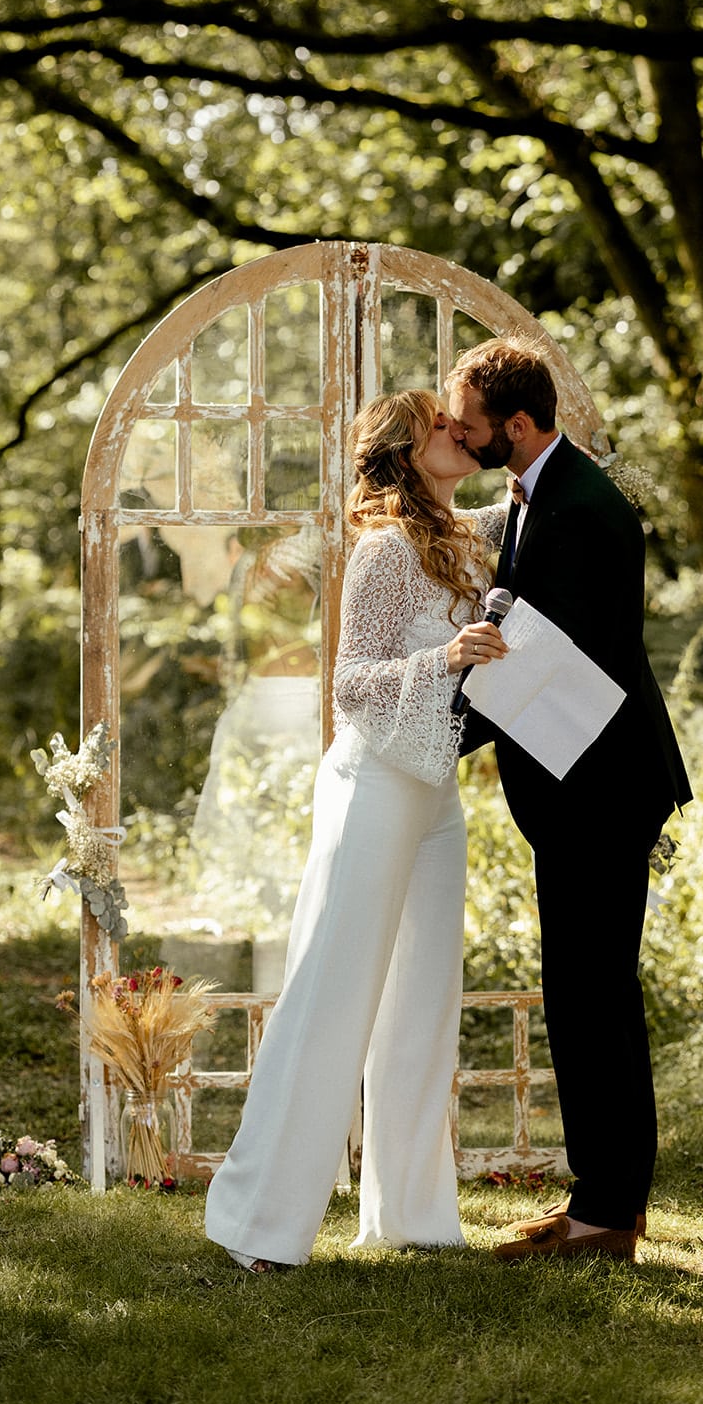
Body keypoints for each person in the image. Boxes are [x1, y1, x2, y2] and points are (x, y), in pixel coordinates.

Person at [205, 389, 507, 1272]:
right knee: (330, 1000)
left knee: (422, 1008)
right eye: (439, 427)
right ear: (407, 454)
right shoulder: (380, 549)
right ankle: (259, 1226)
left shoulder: (469, 534)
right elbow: (349, 687)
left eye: (461, 422)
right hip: (371, 787)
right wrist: (444, 658)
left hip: (436, 798)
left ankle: (411, 1216)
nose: (459, 431)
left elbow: (537, 491)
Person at [445, 338, 691, 1264]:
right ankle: (604, 1204)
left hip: (598, 788)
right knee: (584, 994)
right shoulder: (537, 496)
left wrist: (428, 737)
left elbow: (549, 663)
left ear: (516, 424)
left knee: (592, 997)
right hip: (578, 785)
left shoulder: (580, 510)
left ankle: (605, 1215)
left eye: (470, 424)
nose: (460, 437)